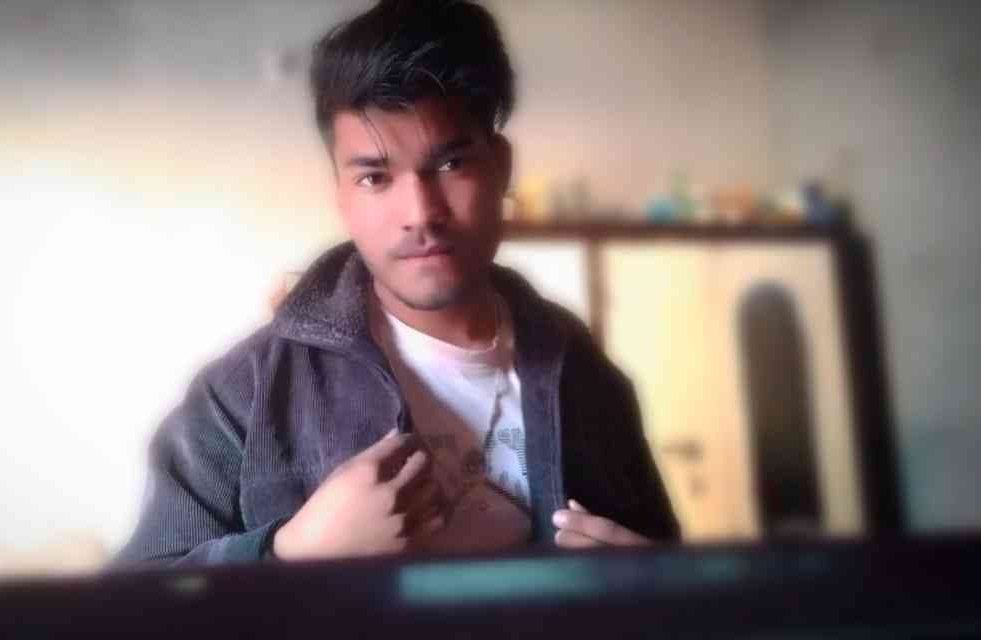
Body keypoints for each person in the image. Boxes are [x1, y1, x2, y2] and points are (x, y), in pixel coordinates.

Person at [116, 0, 677, 565]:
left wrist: (653, 582)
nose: (421, 213)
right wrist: (287, 553)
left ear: (501, 167)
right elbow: (138, 596)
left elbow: (666, 568)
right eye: (375, 177)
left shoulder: (581, 371)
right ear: (341, 194)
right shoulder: (246, 393)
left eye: (452, 165)